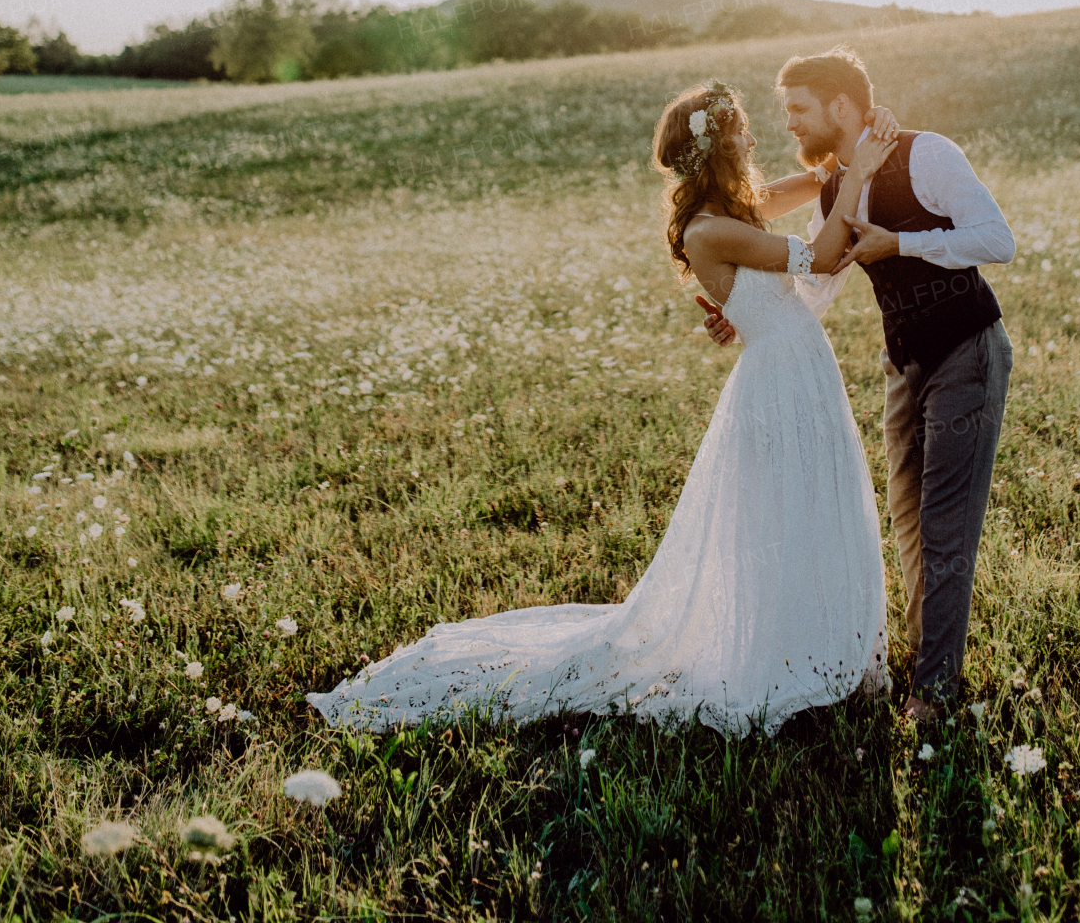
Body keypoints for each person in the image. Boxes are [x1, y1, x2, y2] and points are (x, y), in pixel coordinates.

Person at [307, 81, 897, 735]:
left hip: (797, 365)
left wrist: (844, 159)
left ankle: (814, 641)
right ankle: (788, 654)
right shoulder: (709, 230)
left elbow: (798, 190)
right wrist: (859, 173)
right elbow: (816, 255)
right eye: (742, 135)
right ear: (715, 152)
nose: (755, 142)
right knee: (785, 512)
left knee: (812, 503)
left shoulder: (733, 209)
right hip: (779, 374)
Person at [702, 48, 1015, 724]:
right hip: (903, 363)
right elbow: (821, 278)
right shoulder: (830, 189)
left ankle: (933, 695)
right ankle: (927, 658)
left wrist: (901, 245)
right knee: (906, 520)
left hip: (967, 350)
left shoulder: (926, 155)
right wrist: (747, 317)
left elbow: (997, 239)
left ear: (841, 107)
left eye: (799, 110)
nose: (790, 124)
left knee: (943, 527)